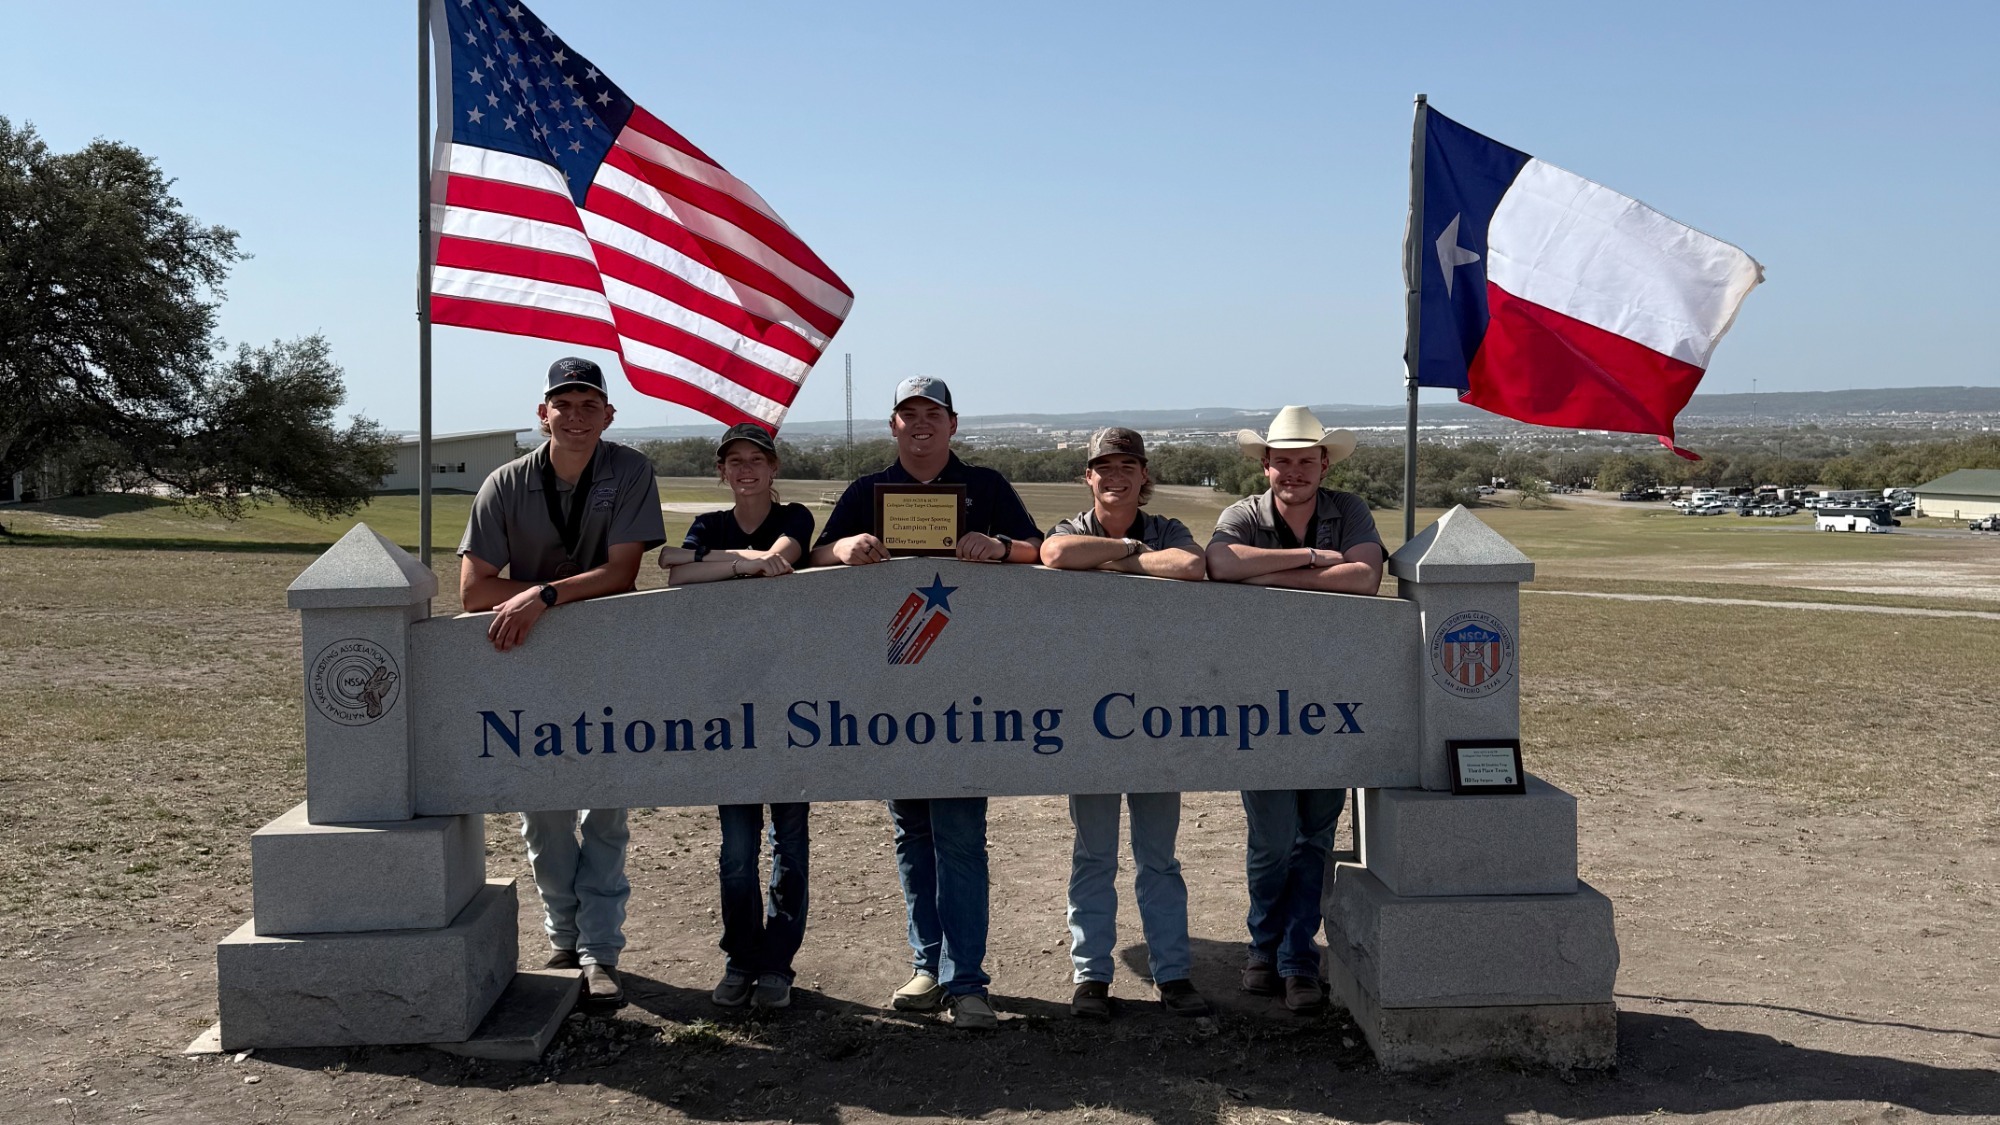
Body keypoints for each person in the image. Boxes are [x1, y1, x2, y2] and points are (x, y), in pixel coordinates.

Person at [809, 375, 1042, 1031]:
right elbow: (816, 556)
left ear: (952, 423)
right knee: (912, 832)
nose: (920, 424)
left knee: (961, 835)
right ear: (893, 426)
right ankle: (926, 964)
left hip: (966, 693)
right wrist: (841, 549)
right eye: (908, 414)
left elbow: (1039, 550)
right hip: (893, 693)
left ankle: (967, 982)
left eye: (931, 414)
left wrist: (1000, 547)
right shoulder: (865, 493)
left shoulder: (987, 487)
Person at [458, 357, 666, 1010]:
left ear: (608, 414)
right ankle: (563, 937)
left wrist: (541, 594)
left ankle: (601, 951)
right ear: (541, 413)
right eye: (563, 403)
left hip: (610, 659)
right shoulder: (504, 483)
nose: (575, 416)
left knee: (604, 809)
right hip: (531, 664)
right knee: (543, 812)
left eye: (588, 404)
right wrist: (538, 603)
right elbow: (473, 589)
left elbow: (623, 572)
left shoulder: (629, 470)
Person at [1204, 405, 1385, 1013]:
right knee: (1272, 838)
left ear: (1324, 463)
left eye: (1306, 460)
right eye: (1283, 460)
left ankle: (1296, 957)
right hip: (1261, 699)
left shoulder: (1349, 509)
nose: (1295, 471)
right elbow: (1221, 564)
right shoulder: (1243, 515)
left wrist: (1267, 580)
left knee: (1315, 835)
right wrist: (1310, 560)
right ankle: (1264, 948)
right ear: (1266, 465)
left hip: (1333, 700)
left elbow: (1365, 578)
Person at [1038, 428, 1210, 1019]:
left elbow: (1189, 566)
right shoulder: (1072, 527)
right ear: (1088, 476)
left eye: (1126, 466)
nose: (1114, 477)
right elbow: (1056, 555)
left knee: (1159, 856)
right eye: (1102, 467)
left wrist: (1113, 557)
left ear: (1143, 476)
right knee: (1094, 855)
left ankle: (1173, 972)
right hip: (1087, 714)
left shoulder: (1169, 530)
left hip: (1158, 711)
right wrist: (1137, 560)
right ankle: (1092, 975)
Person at [656, 423, 815, 1010]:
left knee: (790, 843)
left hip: (794, 701)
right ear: (721, 473)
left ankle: (777, 964)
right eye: (734, 461)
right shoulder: (712, 523)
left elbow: (783, 558)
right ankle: (740, 958)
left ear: (774, 469)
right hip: (729, 702)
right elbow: (674, 571)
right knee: (737, 850)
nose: (746, 469)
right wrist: (744, 561)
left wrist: (728, 562)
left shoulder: (795, 514)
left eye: (757, 459)